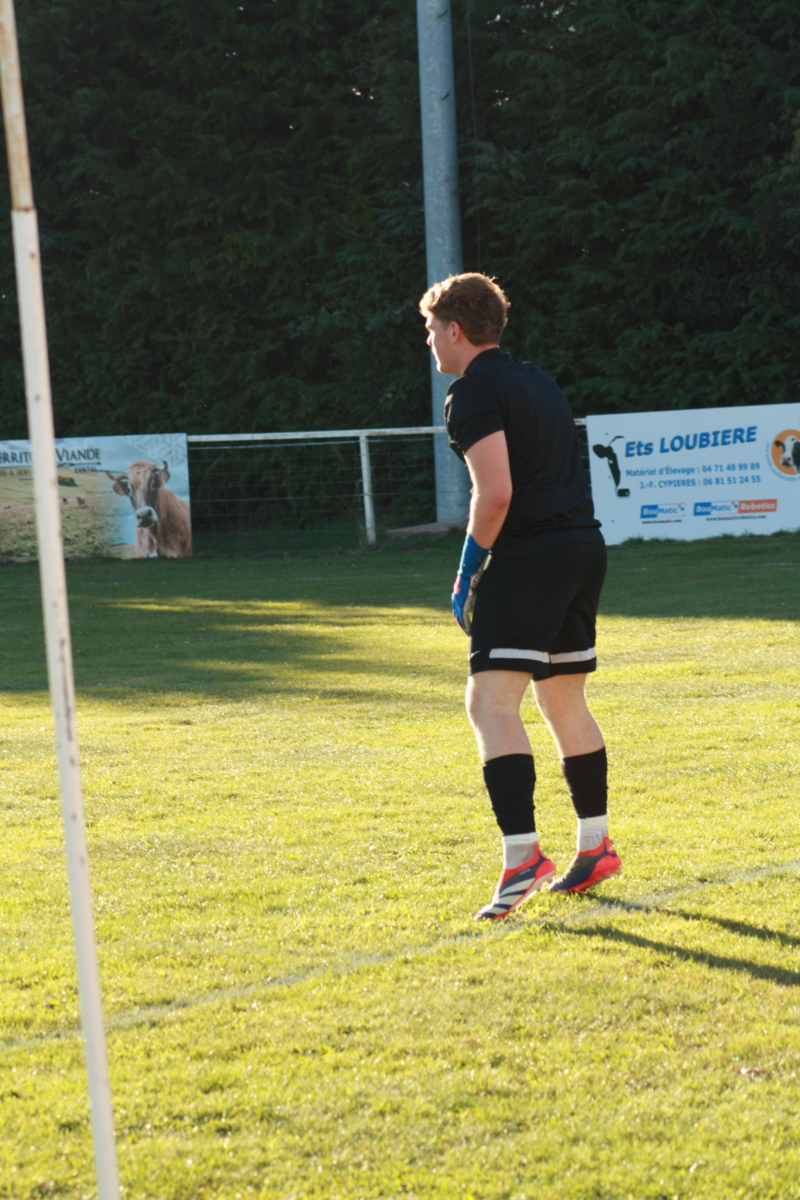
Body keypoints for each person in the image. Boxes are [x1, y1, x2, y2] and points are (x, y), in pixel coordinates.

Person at [418, 272, 621, 920]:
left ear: (455, 329)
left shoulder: (472, 391)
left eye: (431, 329)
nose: (429, 341)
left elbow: (496, 492)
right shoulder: (538, 379)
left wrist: (467, 570)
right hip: (582, 547)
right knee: (562, 698)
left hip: (532, 555)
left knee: (489, 702)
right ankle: (595, 846)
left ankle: (523, 857)